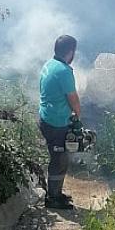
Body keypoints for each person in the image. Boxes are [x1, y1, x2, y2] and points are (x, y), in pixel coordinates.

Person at [38, 34, 81, 209]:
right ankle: (52, 198)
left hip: (45, 116)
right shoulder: (64, 71)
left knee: (60, 158)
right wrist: (78, 115)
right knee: (59, 159)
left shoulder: (49, 64)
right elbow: (73, 98)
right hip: (55, 123)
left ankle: (56, 193)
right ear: (70, 52)